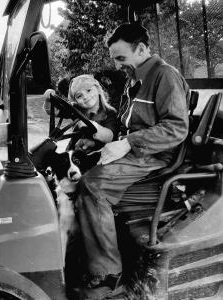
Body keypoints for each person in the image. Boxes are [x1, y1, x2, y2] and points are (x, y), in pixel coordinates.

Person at [76, 23, 190, 299]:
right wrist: (99, 141)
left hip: (155, 155)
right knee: (80, 164)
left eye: (120, 58)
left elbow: (176, 129)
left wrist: (127, 143)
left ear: (141, 49)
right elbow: (126, 123)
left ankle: (108, 275)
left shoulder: (165, 77)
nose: (117, 65)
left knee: (93, 186)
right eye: (115, 59)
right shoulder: (134, 80)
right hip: (135, 150)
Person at [43, 74, 117, 152]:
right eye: (79, 96)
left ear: (98, 89)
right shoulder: (77, 108)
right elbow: (54, 112)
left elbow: (110, 137)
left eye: (88, 90)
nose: (85, 97)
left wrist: (91, 125)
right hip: (72, 152)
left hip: (97, 155)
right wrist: (47, 99)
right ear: (76, 101)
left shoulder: (109, 112)